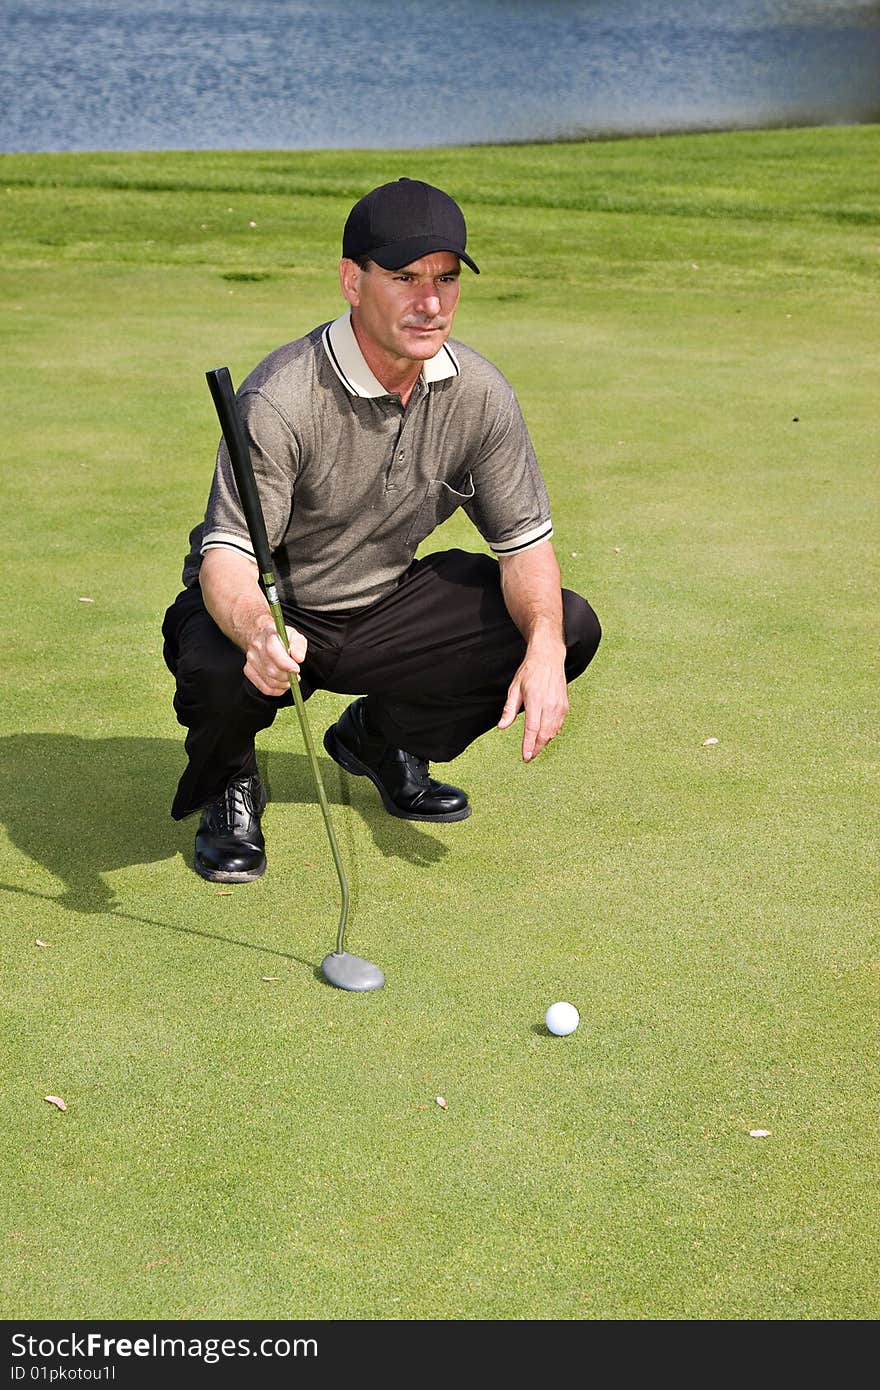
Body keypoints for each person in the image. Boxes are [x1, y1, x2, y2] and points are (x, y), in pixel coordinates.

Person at [162, 177, 601, 882]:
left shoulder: (480, 394)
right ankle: (230, 783)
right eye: (404, 277)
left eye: (446, 279)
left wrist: (546, 647)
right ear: (352, 280)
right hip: (273, 605)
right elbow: (228, 559)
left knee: (566, 623)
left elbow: (525, 547)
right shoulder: (281, 397)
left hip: (383, 607)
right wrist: (258, 634)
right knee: (218, 666)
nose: (431, 302)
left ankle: (378, 737)